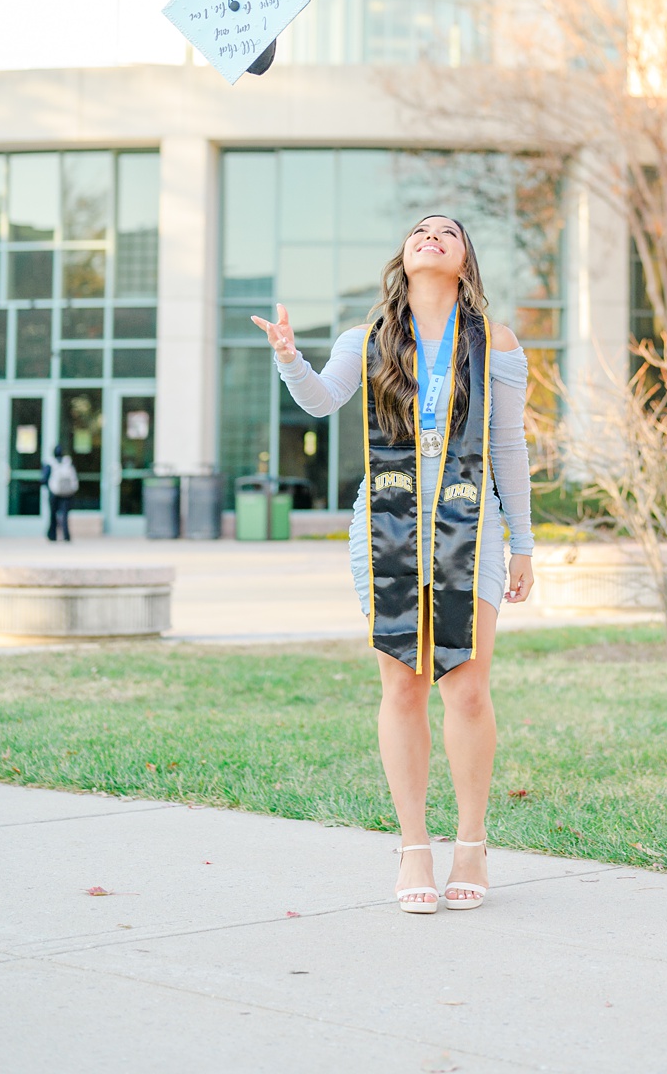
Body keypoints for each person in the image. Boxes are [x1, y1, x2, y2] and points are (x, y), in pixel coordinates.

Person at [253, 215, 535, 915]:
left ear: (465, 259)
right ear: (404, 256)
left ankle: (470, 842)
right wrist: (290, 357)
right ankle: (414, 848)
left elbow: (509, 451)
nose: (431, 234)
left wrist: (524, 543)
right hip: (387, 522)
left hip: (475, 526)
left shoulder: (496, 344)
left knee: (467, 689)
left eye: (448, 231)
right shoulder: (367, 339)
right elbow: (322, 400)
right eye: (420, 229)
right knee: (404, 683)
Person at [44, 444, 78, 541]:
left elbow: (44, 479)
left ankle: (52, 536)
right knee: (65, 515)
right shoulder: (68, 462)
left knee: (53, 514)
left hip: (54, 492)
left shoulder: (50, 463)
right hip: (67, 493)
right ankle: (66, 536)